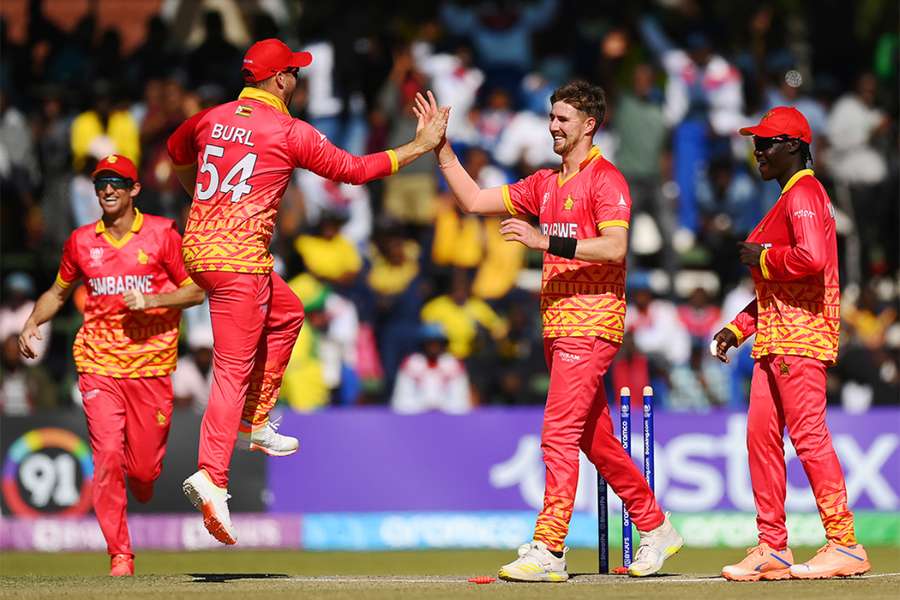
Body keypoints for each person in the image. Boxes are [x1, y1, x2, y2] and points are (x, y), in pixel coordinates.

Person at [166, 38, 448, 546]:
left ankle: (255, 419)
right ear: (279, 81)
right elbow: (356, 171)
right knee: (232, 369)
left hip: (199, 250)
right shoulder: (288, 131)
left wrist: (201, 199)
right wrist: (420, 146)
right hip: (239, 263)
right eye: (293, 73)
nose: (297, 80)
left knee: (289, 311)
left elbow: (175, 151)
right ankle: (212, 475)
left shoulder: (212, 117)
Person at [420, 81, 682, 581]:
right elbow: (475, 200)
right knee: (595, 439)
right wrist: (442, 149)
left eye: (563, 119)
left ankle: (550, 547)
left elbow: (614, 249)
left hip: (592, 324)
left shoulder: (608, 181)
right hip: (557, 328)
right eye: (551, 117)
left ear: (590, 124)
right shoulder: (543, 184)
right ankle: (656, 527)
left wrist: (545, 240)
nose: (552, 126)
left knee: (558, 432)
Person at [17, 154, 205, 577]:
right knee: (105, 456)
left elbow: (196, 292)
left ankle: (141, 480)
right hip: (99, 364)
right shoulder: (81, 241)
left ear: (135, 189)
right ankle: (120, 554)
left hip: (152, 368)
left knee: (142, 470)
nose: (108, 190)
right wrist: (32, 321)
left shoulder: (161, 235)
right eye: (102, 183)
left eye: (118, 182)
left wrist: (154, 300)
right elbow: (58, 293)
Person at [712, 107, 871, 581]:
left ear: (795, 146)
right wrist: (737, 329)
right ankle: (772, 547)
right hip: (775, 340)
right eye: (756, 142)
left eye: (767, 143)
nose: (757, 151)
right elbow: (780, 285)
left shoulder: (804, 191)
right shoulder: (788, 196)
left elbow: (812, 258)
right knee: (760, 438)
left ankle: (844, 543)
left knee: (808, 437)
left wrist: (762, 256)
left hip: (801, 338)